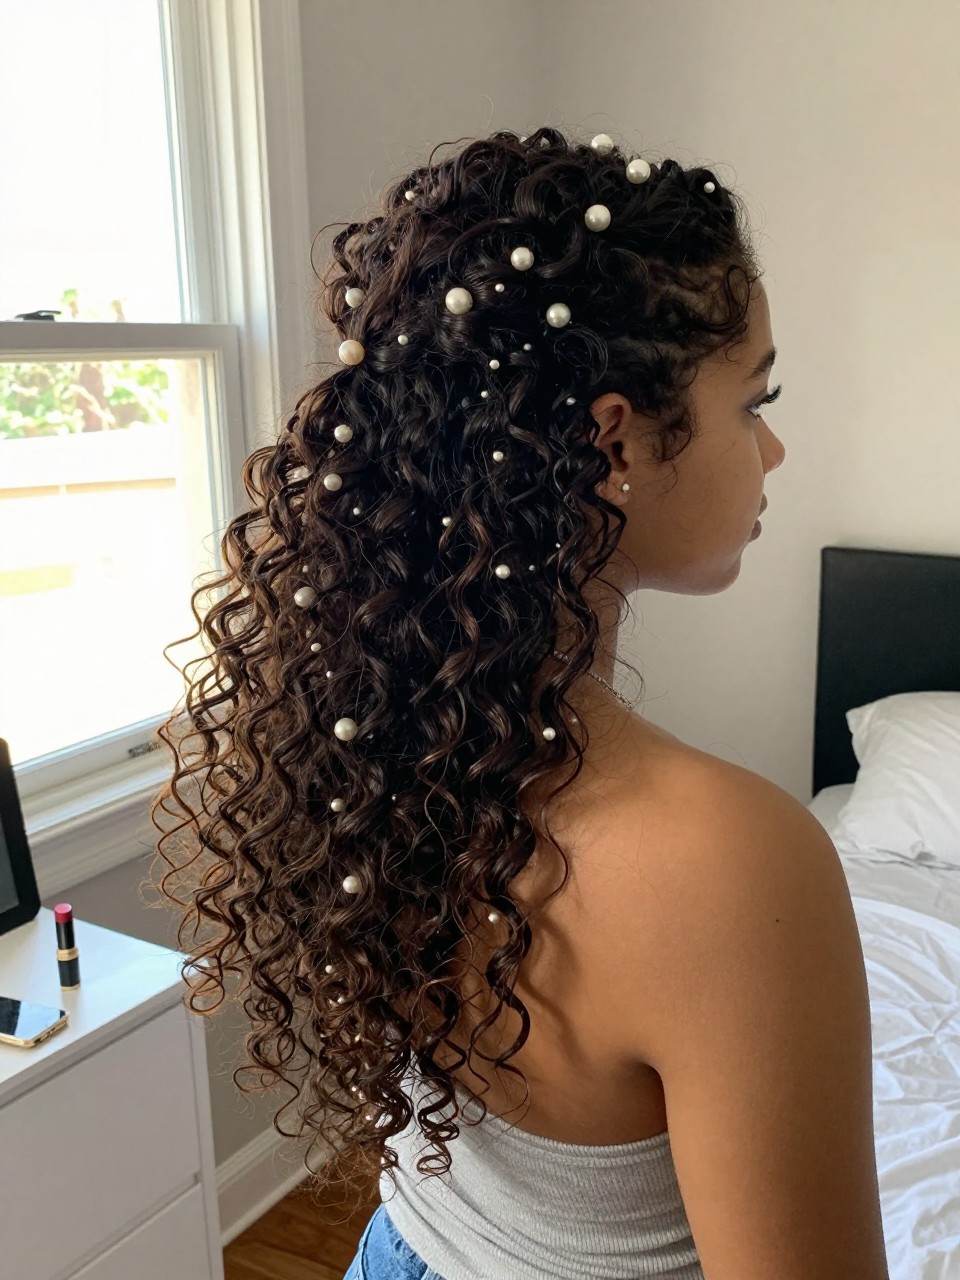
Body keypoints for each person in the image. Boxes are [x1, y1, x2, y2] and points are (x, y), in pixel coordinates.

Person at [149, 126, 890, 1280]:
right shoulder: (733, 859)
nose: (776, 448)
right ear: (614, 440)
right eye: (756, 400)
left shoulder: (384, 729)